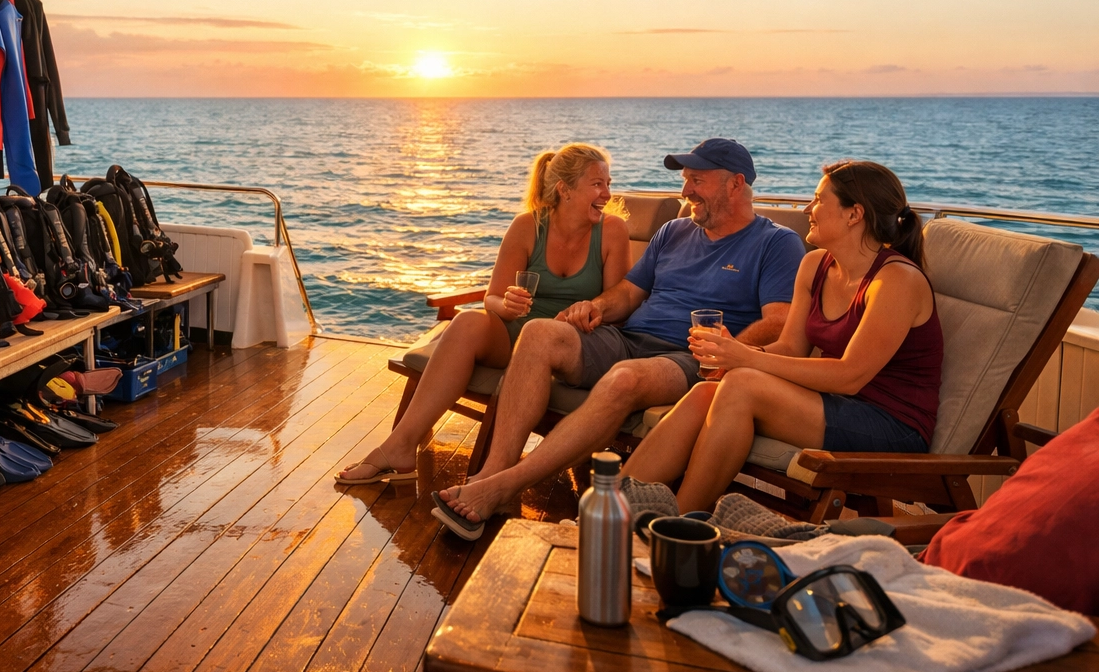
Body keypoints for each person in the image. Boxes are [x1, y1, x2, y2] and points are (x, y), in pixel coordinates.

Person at [434, 137, 805, 539]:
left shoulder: (776, 242)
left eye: (697, 180)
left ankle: (506, 485)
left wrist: (730, 350)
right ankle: (494, 474)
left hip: (687, 357)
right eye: (685, 180)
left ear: (735, 184)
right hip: (627, 338)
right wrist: (597, 307)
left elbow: (780, 319)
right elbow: (628, 293)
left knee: (625, 378)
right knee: (540, 333)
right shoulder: (673, 232)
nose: (685, 192)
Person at [621, 160, 942, 514]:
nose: (808, 208)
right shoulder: (816, 265)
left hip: (890, 424)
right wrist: (734, 352)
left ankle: (678, 524)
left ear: (854, 215)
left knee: (742, 384)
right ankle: (611, 508)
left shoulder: (896, 280)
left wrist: (747, 359)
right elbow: (791, 348)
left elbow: (850, 376)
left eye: (819, 200)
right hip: (834, 404)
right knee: (705, 391)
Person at [335, 144, 630, 485]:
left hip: (571, 345)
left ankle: (489, 474)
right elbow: (491, 297)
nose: (607, 193)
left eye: (608, 183)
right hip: (515, 334)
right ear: (565, 189)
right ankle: (400, 448)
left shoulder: (612, 231)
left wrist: (587, 313)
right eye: (597, 184)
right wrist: (507, 305)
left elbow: (616, 306)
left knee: (505, 328)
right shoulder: (527, 226)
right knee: (467, 321)